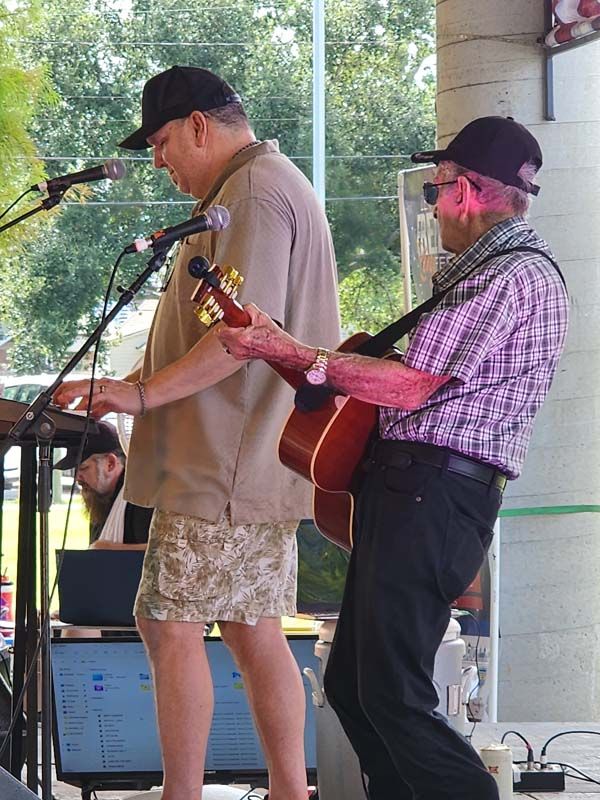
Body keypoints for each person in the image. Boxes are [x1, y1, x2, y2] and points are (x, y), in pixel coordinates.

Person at [214, 116, 569, 800]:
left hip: (434, 494)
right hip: (417, 490)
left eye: (437, 192)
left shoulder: (508, 277)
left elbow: (412, 385)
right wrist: (294, 354)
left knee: (394, 693)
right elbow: (399, 380)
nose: (434, 209)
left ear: (466, 191)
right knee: (355, 685)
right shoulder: (485, 276)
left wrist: (285, 350)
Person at [53, 65, 340, 800]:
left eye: (161, 142)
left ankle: (185, 795)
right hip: (241, 461)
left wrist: (138, 394)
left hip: (228, 464)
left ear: (200, 127)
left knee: (167, 624)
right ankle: (287, 790)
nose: (158, 160)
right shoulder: (252, 188)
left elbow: (244, 337)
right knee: (250, 627)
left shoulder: (252, 193)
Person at [54, 420, 152, 549]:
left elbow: (162, 552)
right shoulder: (99, 499)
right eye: (75, 470)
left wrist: (109, 549)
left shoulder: (141, 497)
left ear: (110, 463)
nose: (77, 478)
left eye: (83, 468)